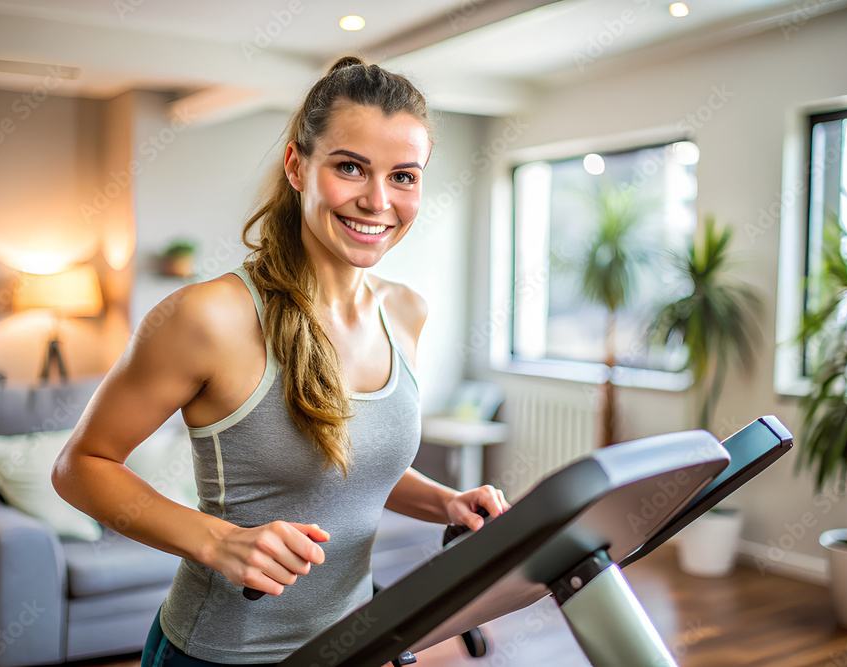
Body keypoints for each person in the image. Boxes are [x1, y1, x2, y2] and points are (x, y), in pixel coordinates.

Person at [52, 55, 510, 666]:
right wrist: (218, 541)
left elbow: (348, 468)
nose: (378, 201)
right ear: (297, 166)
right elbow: (80, 464)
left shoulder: (405, 312)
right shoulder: (206, 317)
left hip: (353, 644)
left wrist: (445, 503)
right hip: (219, 654)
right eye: (351, 167)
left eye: (404, 176)